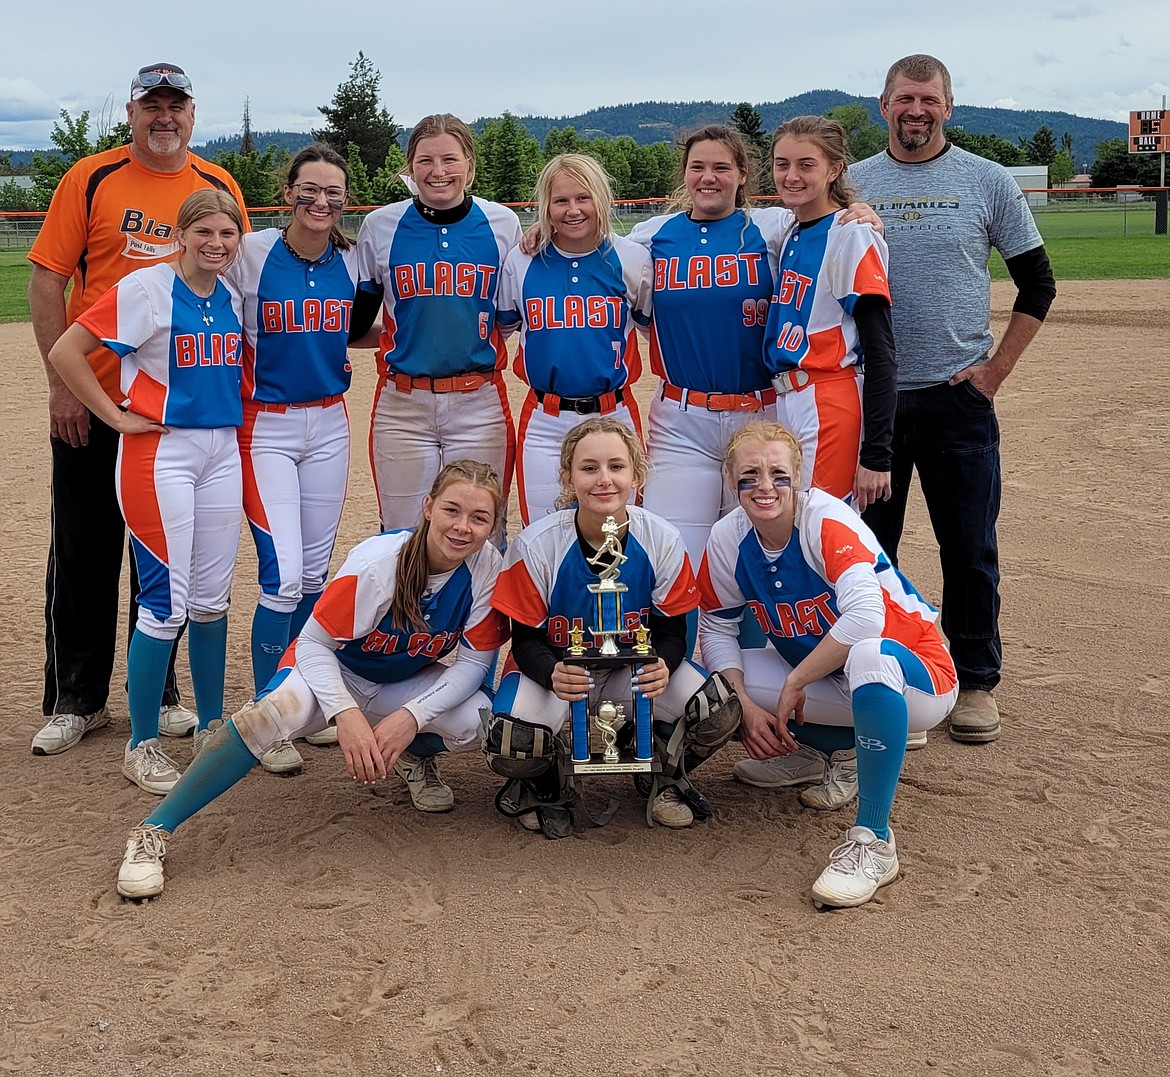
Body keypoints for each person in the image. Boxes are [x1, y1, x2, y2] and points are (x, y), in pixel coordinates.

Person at [115, 460, 509, 899]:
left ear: (493, 526)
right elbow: (312, 645)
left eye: (479, 518)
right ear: (428, 507)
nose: (463, 528)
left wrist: (411, 718)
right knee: (266, 717)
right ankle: (152, 830)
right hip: (332, 671)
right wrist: (345, 714)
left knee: (481, 718)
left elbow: (474, 665)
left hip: (400, 684)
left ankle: (414, 757)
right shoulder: (380, 564)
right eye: (452, 510)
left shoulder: (485, 568)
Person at [28, 63, 247, 757]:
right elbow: (46, 278)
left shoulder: (215, 186)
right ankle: (77, 697)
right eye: (151, 103)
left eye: (176, 104)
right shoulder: (91, 177)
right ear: (131, 112)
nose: (165, 116)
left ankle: (162, 694)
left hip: (184, 408)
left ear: (191, 112)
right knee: (86, 547)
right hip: (96, 393)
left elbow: (236, 288)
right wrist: (61, 387)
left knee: (175, 563)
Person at [851, 54, 1056, 743]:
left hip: (955, 397)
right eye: (905, 98)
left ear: (948, 106)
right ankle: (889, 676)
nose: (917, 109)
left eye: (929, 99)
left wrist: (994, 371)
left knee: (968, 547)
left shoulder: (986, 180)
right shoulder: (854, 182)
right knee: (870, 551)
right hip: (869, 403)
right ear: (883, 105)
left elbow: (1038, 284)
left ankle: (976, 682)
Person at [696, 422, 958, 908]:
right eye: (750, 475)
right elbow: (716, 628)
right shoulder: (728, 537)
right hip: (834, 679)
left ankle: (873, 841)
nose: (765, 486)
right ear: (732, 483)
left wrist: (796, 678)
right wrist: (746, 707)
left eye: (778, 473)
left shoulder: (825, 519)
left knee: (869, 653)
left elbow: (865, 617)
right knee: (709, 686)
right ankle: (828, 753)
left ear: (800, 476)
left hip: (916, 679)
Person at [486, 418, 741, 838]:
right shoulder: (538, 543)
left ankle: (663, 776)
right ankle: (548, 787)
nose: (604, 479)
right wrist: (552, 672)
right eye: (589, 468)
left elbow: (672, 630)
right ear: (568, 476)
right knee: (512, 740)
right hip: (560, 675)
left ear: (636, 476)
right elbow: (526, 638)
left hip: (628, 673)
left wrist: (664, 663)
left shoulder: (660, 538)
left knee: (717, 710)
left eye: (616, 467)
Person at [224, 143, 360, 775]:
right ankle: (264, 717)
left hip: (330, 421)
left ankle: (299, 704)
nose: (321, 201)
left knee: (312, 576)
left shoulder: (354, 259)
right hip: (268, 426)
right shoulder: (252, 253)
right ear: (288, 193)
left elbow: (365, 327)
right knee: (281, 579)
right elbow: (191, 289)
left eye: (333, 191)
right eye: (309, 188)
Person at [353, 114, 522, 539]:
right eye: (425, 160)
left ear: (469, 163)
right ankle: (408, 609)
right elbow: (355, 323)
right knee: (403, 534)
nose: (438, 171)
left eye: (450, 158)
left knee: (484, 531)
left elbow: (506, 318)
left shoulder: (501, 223)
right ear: (410, 167)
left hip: (478, 401)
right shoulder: (380, 225)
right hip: (402, 404)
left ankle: (479, 609)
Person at [496, 153, 652, 524]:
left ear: (601, 199)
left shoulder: (631, 258)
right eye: (561, 200)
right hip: (545, 419)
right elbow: (503, 328)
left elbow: (649, 325)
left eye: (583, 198)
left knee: (620, 531)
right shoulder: (521, 261)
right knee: (545, 531)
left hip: (614, 412)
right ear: (545, 207)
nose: (573, 210)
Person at [764, 116, 895, 509]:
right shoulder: (792, 229)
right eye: (782, 164)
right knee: (791, 524)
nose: (791, 175)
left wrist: (877, 455)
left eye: (807, 164)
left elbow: (881, 348)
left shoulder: (851, 232)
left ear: (834, 170)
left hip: (828, 396)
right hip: (788, 397)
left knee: (820, 527)